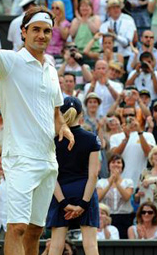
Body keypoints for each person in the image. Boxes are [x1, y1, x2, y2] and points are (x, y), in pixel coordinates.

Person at [0, 0, 73, 255]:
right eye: (36, 30)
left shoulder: (51, 69)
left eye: (46, 31)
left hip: (47, 160)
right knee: (18, 227)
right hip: (20, 158)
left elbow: (56, 113)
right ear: (23, 32)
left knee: (35, 230)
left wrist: (64, 127)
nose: (41, 35)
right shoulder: (10, 61)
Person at [46, 97, 100, 255]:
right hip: (85, 191)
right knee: (90, 245)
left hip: (60, 191)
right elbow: (94, 174)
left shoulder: (52, 140)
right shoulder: (91, 139)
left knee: (55, 246)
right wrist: (83, 204)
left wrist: (62, 202)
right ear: (81, 114)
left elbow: (51, 176)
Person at [96, 154, 134, 239]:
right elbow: (98, 197)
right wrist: (110, 183)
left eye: (119, 162)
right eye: (113, 162)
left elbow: (126, 197)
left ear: (122, 167)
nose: (116, 164)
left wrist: (116, 182)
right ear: (109, 166)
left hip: (124, 217)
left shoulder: (128, 182)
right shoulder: (101, 182)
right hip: (107, 217)